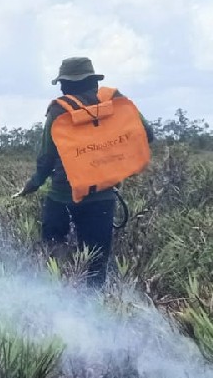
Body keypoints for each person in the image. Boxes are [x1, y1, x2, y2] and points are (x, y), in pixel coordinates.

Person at [14, 57, 153, 288]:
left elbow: (46, 158)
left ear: (64, 85)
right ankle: (92, 307)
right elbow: (147, 134)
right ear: (93, 82)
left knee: (54, 254)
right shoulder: (116, 102)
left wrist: (33, 184)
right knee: (97, 261)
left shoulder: (59, 110)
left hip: (61, 197)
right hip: (102, 197)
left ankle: (57, 302)